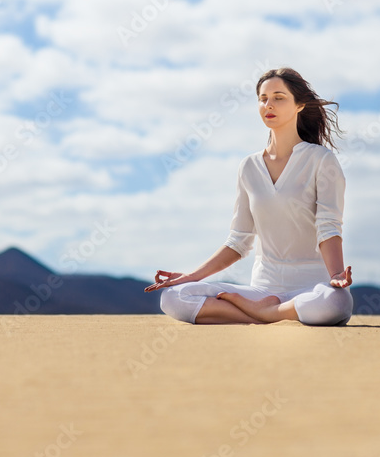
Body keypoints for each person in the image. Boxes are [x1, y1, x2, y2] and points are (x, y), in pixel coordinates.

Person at [144, 67, 354, 326]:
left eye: (279, 97)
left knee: (336, 302)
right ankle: (266, 313)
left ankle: (266, 315)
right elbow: (238, 241)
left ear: (300, 105)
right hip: (262, 291)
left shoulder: (321, 160)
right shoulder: (249, 167)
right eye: (263, 98)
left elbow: (328, 225)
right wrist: (192, 276)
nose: (269, 104)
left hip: (310, 290)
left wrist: (335, 275)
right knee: (174, 297)